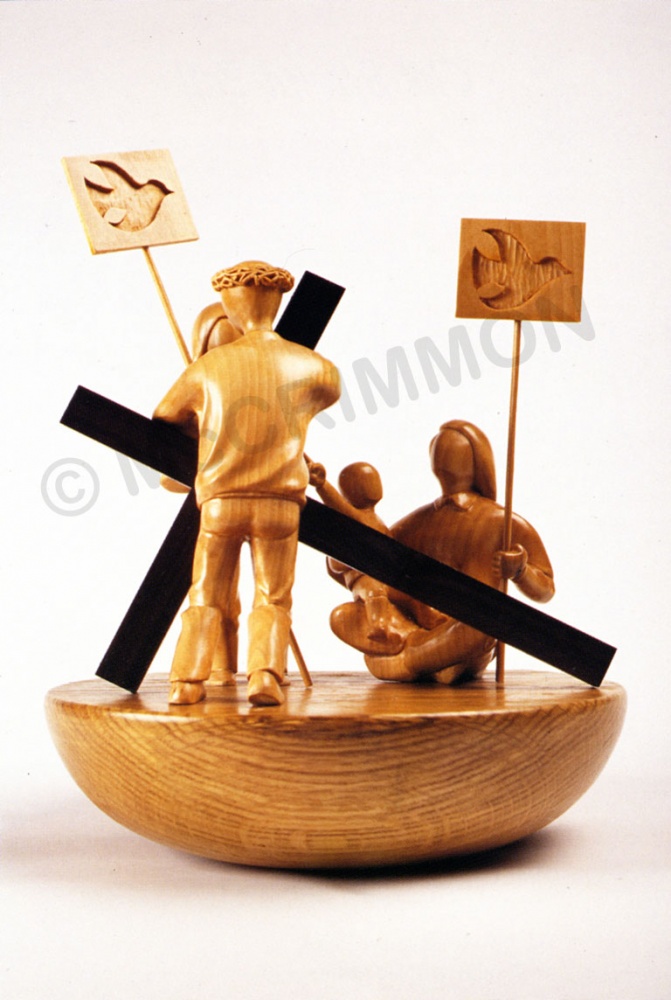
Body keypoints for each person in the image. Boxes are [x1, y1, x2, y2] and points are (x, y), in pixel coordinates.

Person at [154, 261, 341, 707]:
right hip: (280, 503)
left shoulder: (208, 367)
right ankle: (265, 677)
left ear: (231, 308)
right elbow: (330, 391)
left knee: (206, 592)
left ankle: (187, 681)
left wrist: (208, 424)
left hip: (222, 501)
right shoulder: (315, 367)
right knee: (273, 596)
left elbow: (164, 414)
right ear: (275, 304)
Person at [329, 420, 555, 685]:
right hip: (415, 627)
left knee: (481, 624)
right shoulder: (417, 522)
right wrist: (341, 550)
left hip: (466, 633)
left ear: (477, 463)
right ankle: (429, 658)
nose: (444, 459)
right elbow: (373, 559)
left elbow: (546, 589)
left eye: (453, 452)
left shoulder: (502, 523)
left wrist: (520, 571)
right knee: (343, 617)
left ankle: (411, 661)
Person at [307, 460, 404, 653]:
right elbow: (340, 509)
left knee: (408, 596)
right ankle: (379, 626)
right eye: (366, 481)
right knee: (375, 592)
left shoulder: (375, 519)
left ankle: (430, 616)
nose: (374, 486)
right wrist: (322, 486)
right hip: (365, 580)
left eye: (374, 479)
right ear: (350, 491)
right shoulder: (357, 518)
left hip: (385, 578)